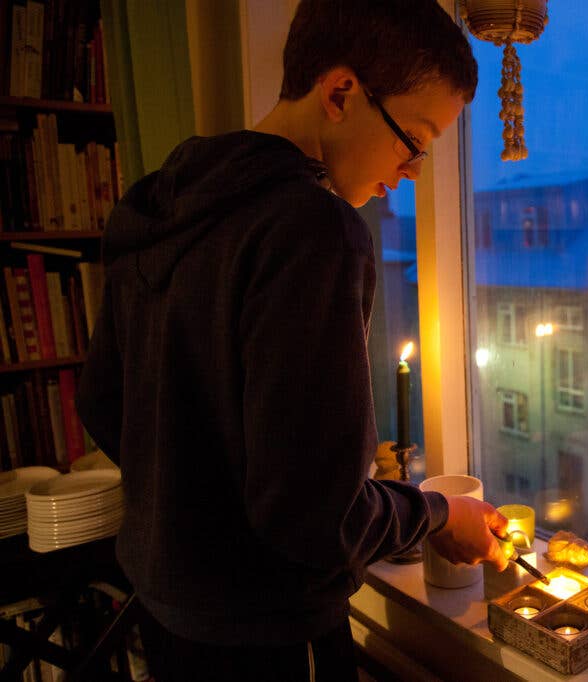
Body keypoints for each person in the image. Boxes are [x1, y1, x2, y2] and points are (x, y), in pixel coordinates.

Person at [75, 1, 508, 679]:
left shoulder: (159, 201)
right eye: (415, 138)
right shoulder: (315, 230)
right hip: (265, 635)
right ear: (341, 93)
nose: (415, 170)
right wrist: (438, 512)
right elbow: (317, 517)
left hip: (163, 611)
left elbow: (103, 404)